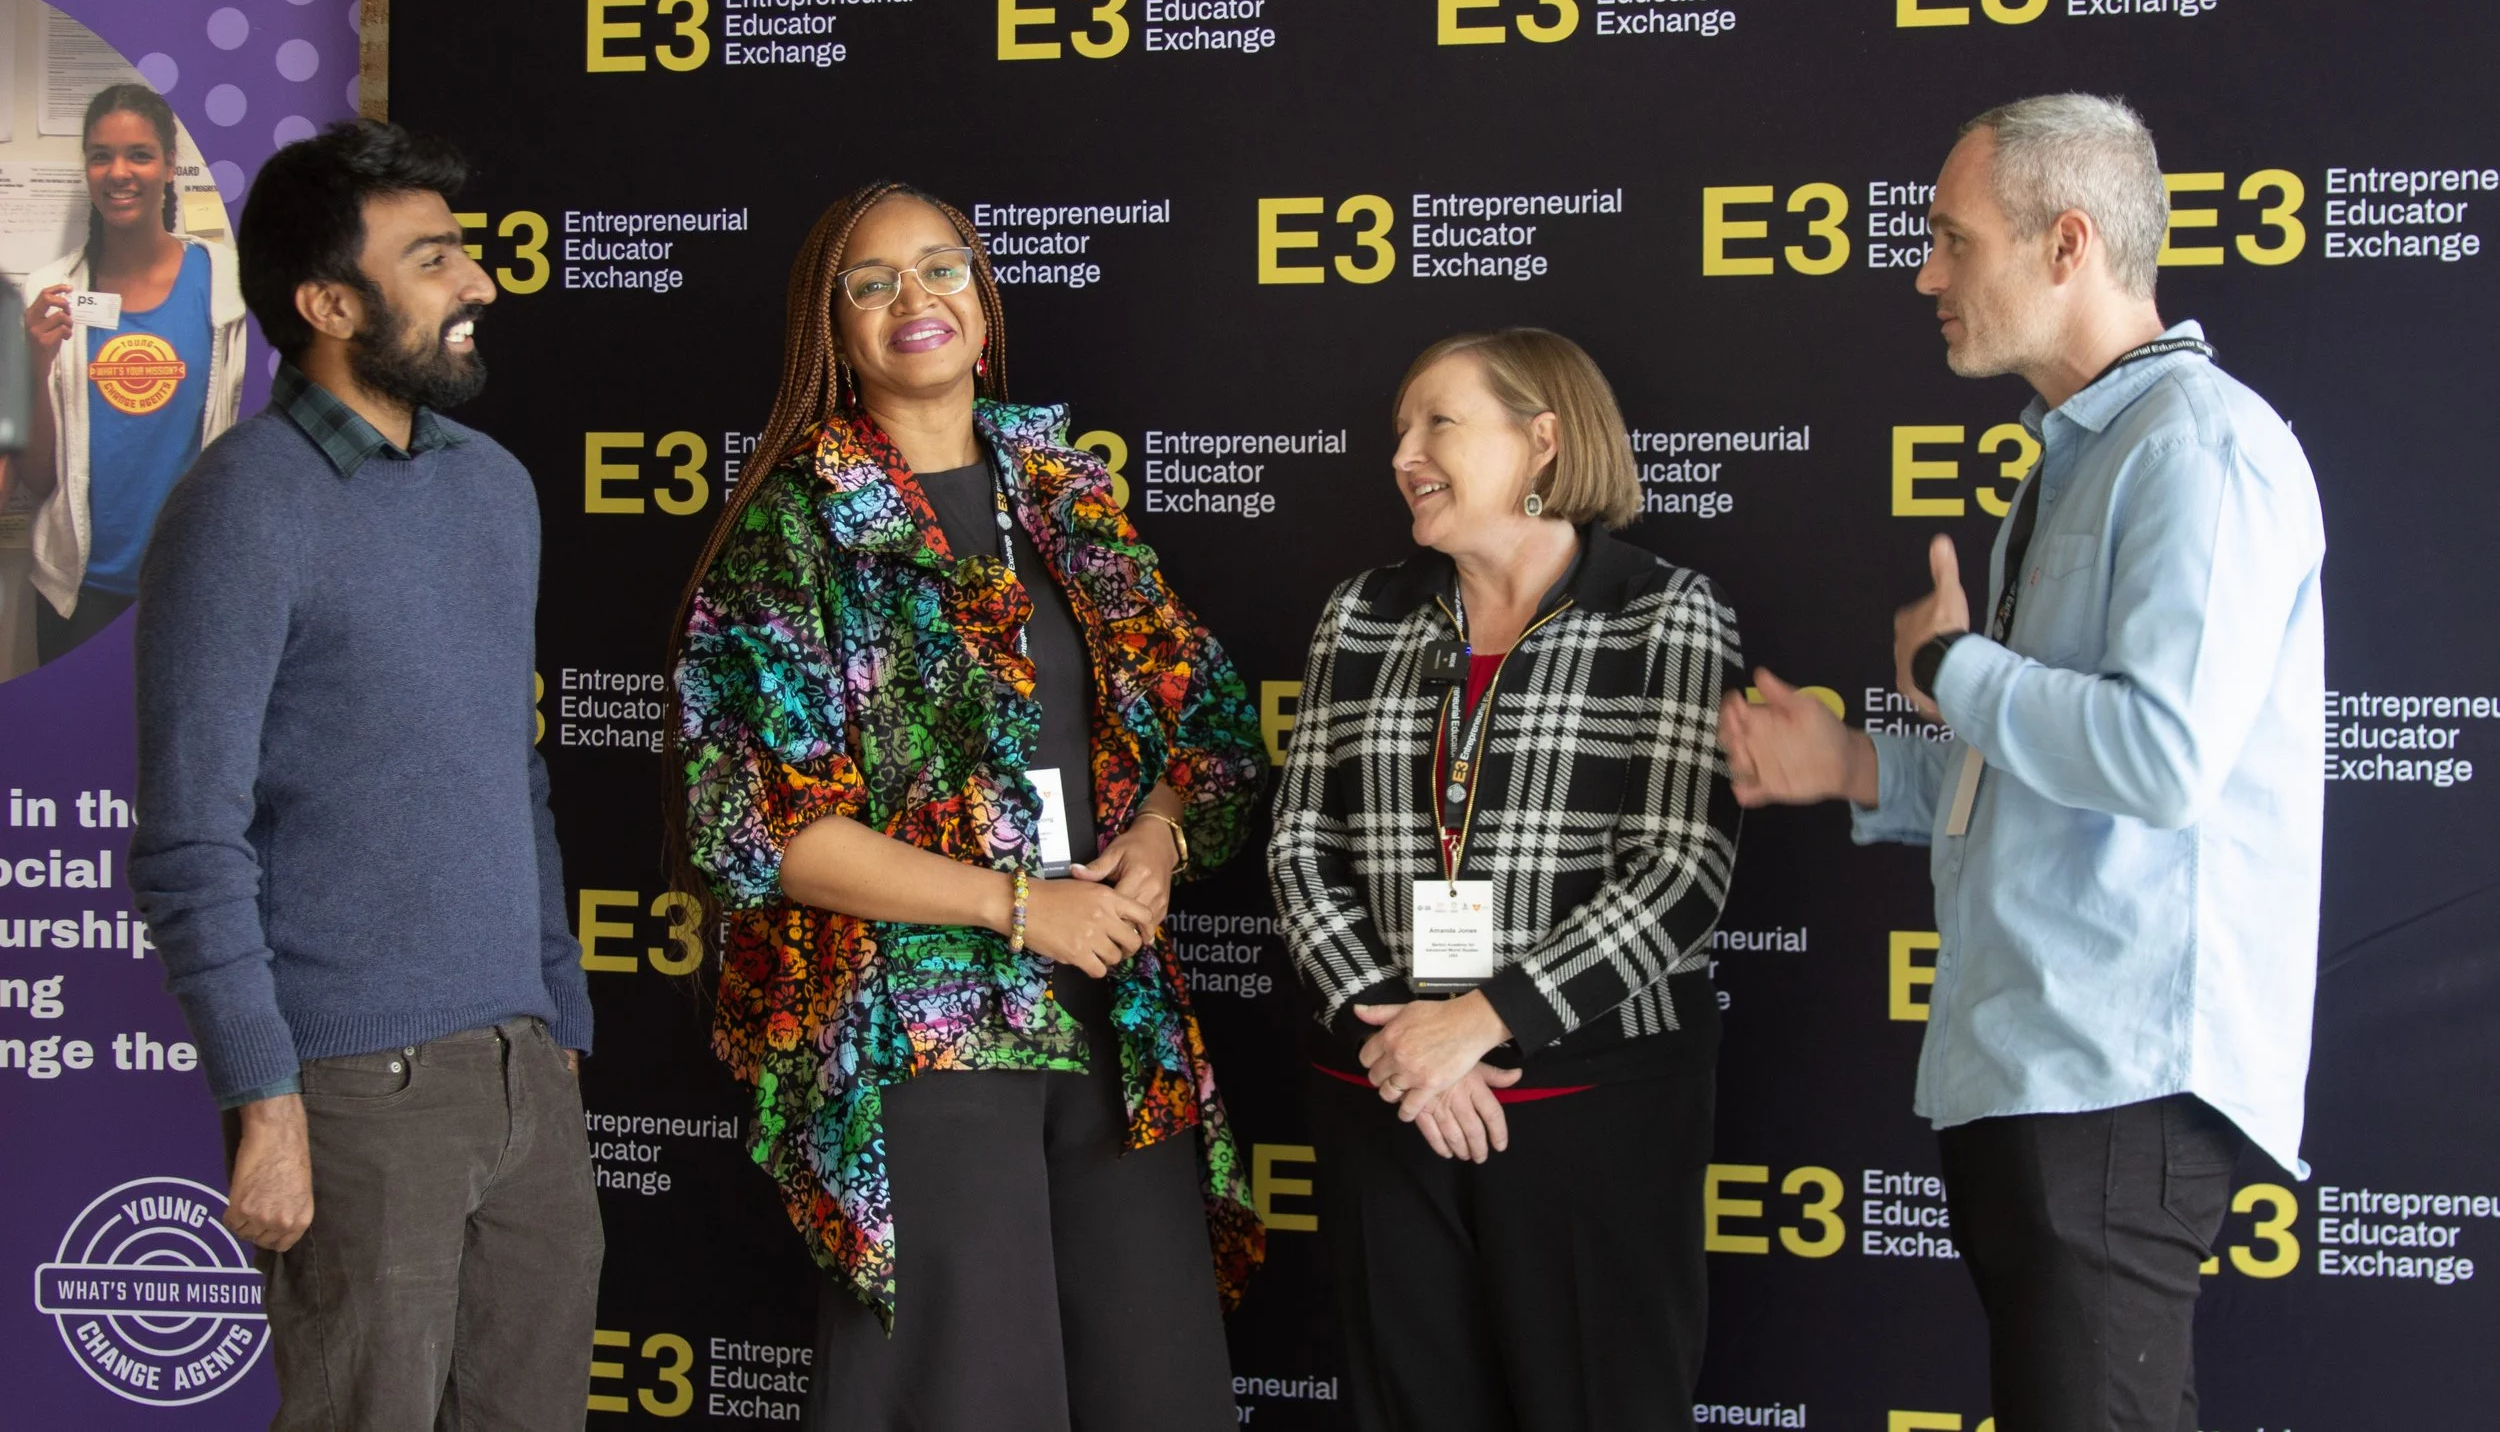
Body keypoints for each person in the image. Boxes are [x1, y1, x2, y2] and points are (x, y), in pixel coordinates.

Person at [1718, 94, 2325, 1432]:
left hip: (2117, 1080)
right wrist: (1857, 766)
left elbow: (2163, 758)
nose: (1925, 274)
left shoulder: (2199, 448)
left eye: (1951, 240)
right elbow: (2041, 770)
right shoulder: (2079, 463)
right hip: (2044, 1075)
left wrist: (1954, 670)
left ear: (2067, 244)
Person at [668, 181, 1268, 1432]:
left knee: (1153, 1385)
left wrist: (1155, 838)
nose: (913, 299)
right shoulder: (793, 532)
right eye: (872, 281)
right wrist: (1014, 905)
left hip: (1113, 1009)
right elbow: (762, 827)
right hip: (920, 1031)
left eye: (941, 267)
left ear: (983, 300)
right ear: (830, 327)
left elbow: (1202, 723)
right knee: (967, 1396)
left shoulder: (1066, 496)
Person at [129, 121, 600, 1430]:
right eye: (436, 258)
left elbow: (515, 777)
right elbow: (189, 840)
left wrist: (555, 1018)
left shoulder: (496, 491)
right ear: (331, 303)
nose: (480, 283)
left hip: (521, 1073)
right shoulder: (242, 506)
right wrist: (262, 1102)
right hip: (356, 1095)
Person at [1269, 328, 1743, 1432]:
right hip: (1386, 1097)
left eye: (1437, 421)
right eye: (1399, 429)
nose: (1403, 452)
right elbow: (1299, 842)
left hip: (1591, 1109)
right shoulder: (1362, 609)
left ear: (1543, 440)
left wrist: (1481, 1020)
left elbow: (1680, 869)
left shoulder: (1663, 609)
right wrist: (1401, 1036)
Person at [21, 82, 246, 662]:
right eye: (101, 156)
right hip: (79, 593)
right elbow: (40, 481)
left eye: (139, 154)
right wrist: (35, 362)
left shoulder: (228, 286)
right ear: (87, 170)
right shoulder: (50, 294)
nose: (118, 172)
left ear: (170, 166)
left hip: (194, 588)